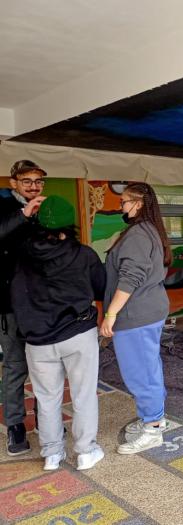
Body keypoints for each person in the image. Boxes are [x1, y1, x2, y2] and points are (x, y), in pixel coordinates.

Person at [11, 196, 106, 471]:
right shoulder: (83, 254)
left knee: (46, 398)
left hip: (37, 340)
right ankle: (86, 451)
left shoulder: (22, 256)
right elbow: (101, 288)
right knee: (83, 394)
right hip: (77, 334)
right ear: (71, 224)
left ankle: (52, 454)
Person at [100, 182, 172, 454]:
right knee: (149, 368)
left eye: (123, 202)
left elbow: (130, 278)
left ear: (138, 203)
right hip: (147, 311)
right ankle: (154, 418)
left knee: (140, 373)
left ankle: (152, 427)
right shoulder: (147, 230)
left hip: (136, 315)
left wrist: (111, 314)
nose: (121, 206)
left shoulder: (139, 235)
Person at [0, 160, 47, 456]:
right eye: (26, 180)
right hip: (9, 303)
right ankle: (16, 424)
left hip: (42, 305)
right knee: (16, 366)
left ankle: (46, 418)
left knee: (45, 366)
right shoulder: (2, 205)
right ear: (14, 182)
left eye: (38, 181)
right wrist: (23, 214)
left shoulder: (48, 207)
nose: (33, 186)